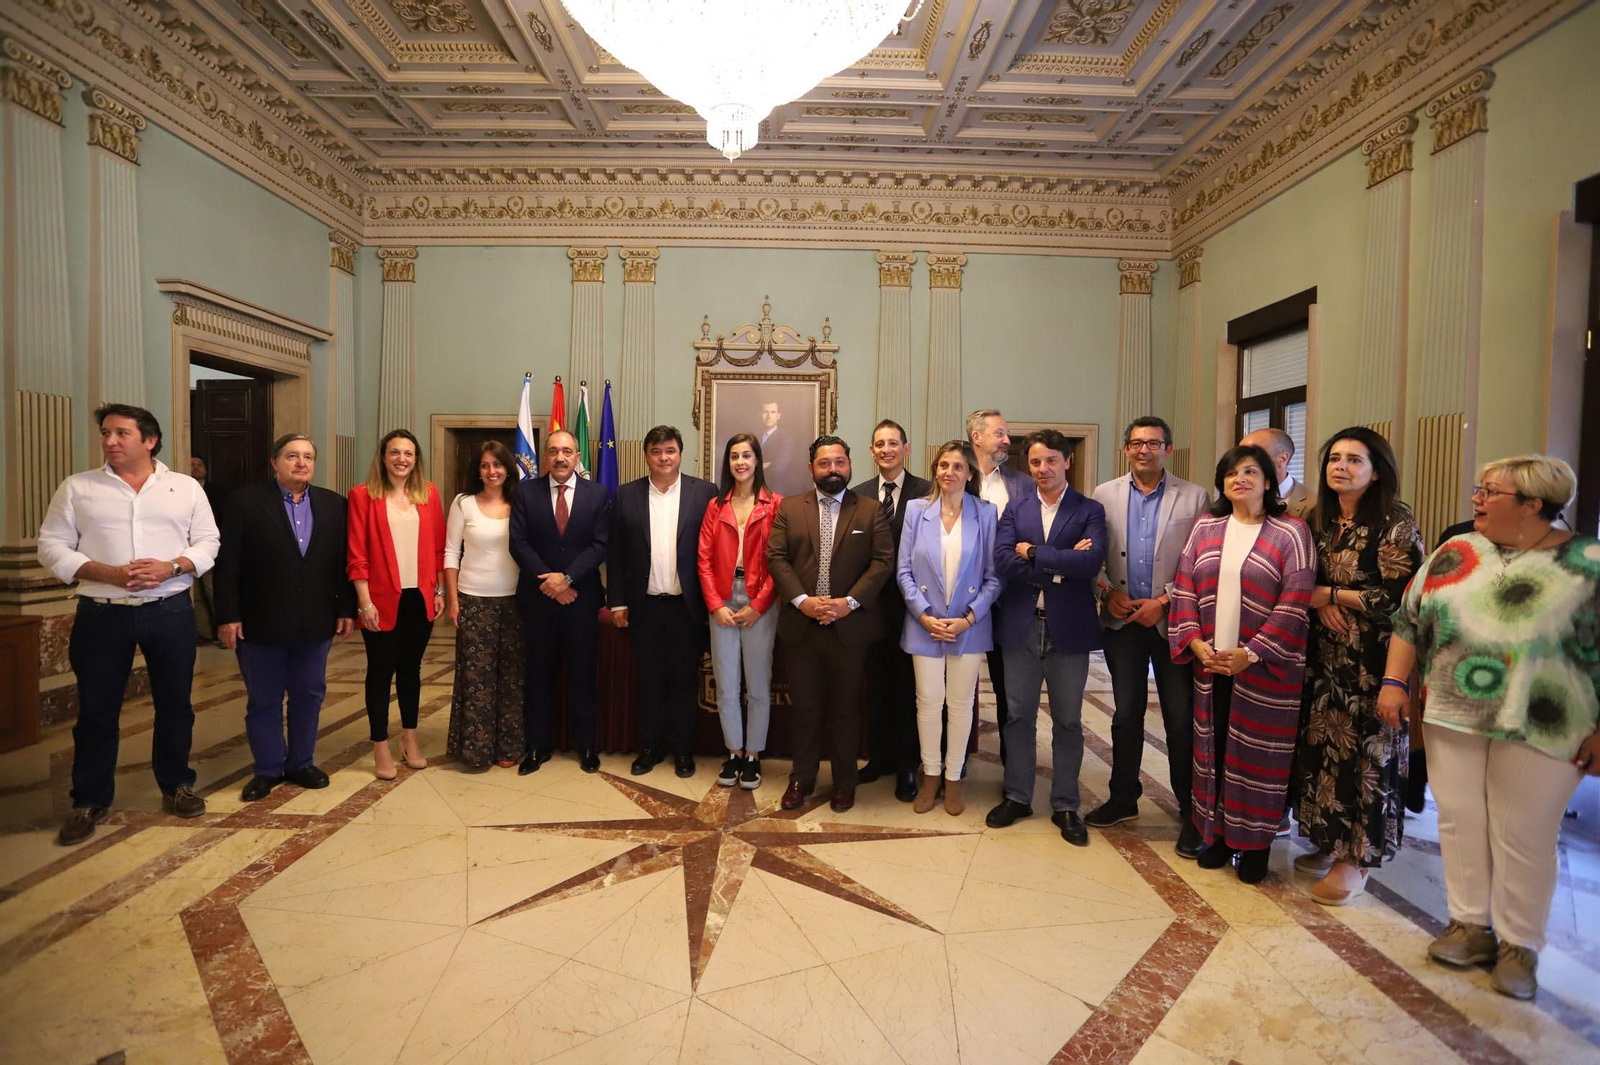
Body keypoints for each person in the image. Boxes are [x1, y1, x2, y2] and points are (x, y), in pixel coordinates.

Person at [1380, 455, 1599, 1000]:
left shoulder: (1587, 562)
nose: (1475, 497)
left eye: (1490, 491)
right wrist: (1394, 682)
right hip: (1455, 711)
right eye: (1478, 487)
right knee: (1458, 820)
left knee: (1523, 834)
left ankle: (1519, 945)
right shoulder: (1456, 552)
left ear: (1532, 504)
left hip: (1545, 721)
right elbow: (1409, 620)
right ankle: (1469, 925)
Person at [40, 404, 221, 844]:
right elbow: (51, 545)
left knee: (176, 704)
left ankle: (177, 785)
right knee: (97, 710)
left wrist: (172, 566)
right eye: (106, 433)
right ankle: (89, 798)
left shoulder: (184, 488)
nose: (110, 441)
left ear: (150, 440)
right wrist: (108, 572)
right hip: (102, 612)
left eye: (121, 433)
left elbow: (209, 541)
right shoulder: (78, 488)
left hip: (169, 611)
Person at [1168, 444, 1315, 883]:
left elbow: (1296, 600)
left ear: (1269, 480)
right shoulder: (1206, 529)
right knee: (1211, 754)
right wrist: (1194, 643)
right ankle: (1216, 836)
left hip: (1264, 670)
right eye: (1231, 473)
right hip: (1211, 665)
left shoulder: (1291, 533)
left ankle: (1255, 846)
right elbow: (1184, 587)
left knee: (1257, 759)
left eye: (1250, 471)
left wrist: (1251, 653)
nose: (1240, 479)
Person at [1293, 428, 1422, 904]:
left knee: (1369, 758)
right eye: (1334, 458)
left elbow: (1398, 598)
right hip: (1326, 661)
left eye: (1354, 460)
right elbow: (1302, 579)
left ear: (1375, 471)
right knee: (1327, 752)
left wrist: (1328, 595)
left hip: (1374, 662)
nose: (1340, 466)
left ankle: (1358, 857)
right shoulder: (1319, 518)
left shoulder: (1394, 523)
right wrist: (1319, 600)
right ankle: (1330, 841)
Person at [1085, 416, 1210, 859]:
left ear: (1168, 449)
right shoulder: (1104, 494)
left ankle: (1190, 809)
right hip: (1122, 622)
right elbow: (1093, 551)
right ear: (1125, 450)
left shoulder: (1195, 497)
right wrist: (1106, 591)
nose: (1144, 450)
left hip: (1172, 623)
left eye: (1154, 443)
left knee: (1179, 720)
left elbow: (1201, 562)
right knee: (1125, 715)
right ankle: (1123, 798)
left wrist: (1166, 600)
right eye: (1136, 443)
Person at [214, 434, 355, 801]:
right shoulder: (244, 502)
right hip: (260, 622)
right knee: (264, 698)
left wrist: (345, 609)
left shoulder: (333, 505)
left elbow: (341, 563)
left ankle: (301, 763)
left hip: (316, 620)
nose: (301, 463)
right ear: (274, 462)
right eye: (292, 456)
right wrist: (228, 616)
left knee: (309, 694)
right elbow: (228, 566)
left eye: (308, 456)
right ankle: (268, 768)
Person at [986, 429, 1107, 846]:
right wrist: (1061, 564)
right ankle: (1018, 796)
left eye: (1051, 460)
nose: (1042, 469)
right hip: (1021, 625)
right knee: (1018, 716)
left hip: (1068, 628)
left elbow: (1091, 562)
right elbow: (1002, 560)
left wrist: (1034, 553)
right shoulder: (1016, 509)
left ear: (1067, 461)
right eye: (1035, 462)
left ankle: (1066, 804)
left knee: (1069, 721)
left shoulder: (1089, 509)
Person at [767, 435, 893, 812]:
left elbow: (882, 562)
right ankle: (801, 779)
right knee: (804, 709)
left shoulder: (871, 510)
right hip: (801, 627)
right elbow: (776, 557)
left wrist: (848, 603)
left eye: (839, 462)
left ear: (850, 466)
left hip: (849, 630)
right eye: (825, 463)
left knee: (845, 710)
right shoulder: (789, 508)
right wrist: (803, 601)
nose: (833, 470)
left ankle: (844, 783)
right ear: (812, 469)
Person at [609, 426, 719, 778]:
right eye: (656, 451)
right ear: (646, 456)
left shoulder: (704, 493)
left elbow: (714, 551)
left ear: (680, 454)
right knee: (650, 681)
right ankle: (651, 748)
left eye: (670, 450)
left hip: (687, 607)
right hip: (644, 607)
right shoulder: (626, 495)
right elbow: (615, 554)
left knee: (685, 681)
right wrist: (617, 602)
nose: (664, 457)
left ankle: (683, 751)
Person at [898, 440, 1000, 815]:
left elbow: (994, 576)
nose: (950, 472)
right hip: (923, 623)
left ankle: (954, 779)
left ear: (970, 473)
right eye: (943, 465)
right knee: (927, 704)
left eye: (958, 466)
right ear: (935, 470)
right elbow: (904, 570)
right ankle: (930, 776)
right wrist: (923, 614)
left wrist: (968, 618)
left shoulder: (986, 514)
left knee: (959, 707)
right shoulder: (915, 510)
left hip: (968, 626)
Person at [509, 429, 611, 774]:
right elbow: (519, 543)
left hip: (581, 598)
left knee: (583, 674)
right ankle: (537, 747)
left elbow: (600, 545)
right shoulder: (525, 492)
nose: (560, 457)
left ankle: (586, 746)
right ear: (545, 456)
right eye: (553, 451)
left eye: (567, 451)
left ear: (578, 455)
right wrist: (550, 582)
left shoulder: (597, 495)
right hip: (538, 600)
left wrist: (566, 579)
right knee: (538, 674)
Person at [348, 429, 446, 781]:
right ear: (383, 457)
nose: (401, 459)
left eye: (408, 453)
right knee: (380, 672)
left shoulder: (429, 494)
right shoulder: (362, 496)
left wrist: (439, 591)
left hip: (419, 596)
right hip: (380, 599)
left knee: (411, 670)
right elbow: (356, 555)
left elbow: (438, 547)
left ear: (416, 458)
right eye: (395, 452)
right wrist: (364, 603)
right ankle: (380, 745)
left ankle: (409, 737)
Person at [852, 419, 932, 801]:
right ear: (871, 451)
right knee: (877, 688)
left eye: (893, 443)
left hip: (914, 609)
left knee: (909, 690)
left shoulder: (927, 492)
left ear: (907, 448)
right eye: (879, 443)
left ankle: (907, 766)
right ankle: (879, 758)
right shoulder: (859, 494)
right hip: (871, 609)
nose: (886, 449)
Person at [698, 433, 783, 789]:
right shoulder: (716, 505)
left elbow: (780, 561)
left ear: (757, 460)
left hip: (759, 600)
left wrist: (759, 605)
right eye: (734, 456)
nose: (740, 462)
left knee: (758, 685)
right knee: (728, 685)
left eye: (747, 455)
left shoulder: (775, 504)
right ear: (728, 463)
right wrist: (715, 605)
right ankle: (733, 752)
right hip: (722, 599)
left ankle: (754, 756)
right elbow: (702, 559)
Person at [443, 440, 525, 770]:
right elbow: (451, 552)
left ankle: (507, 746)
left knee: (512, 677)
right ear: (477, 470)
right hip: (473, 600)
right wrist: (452, 599)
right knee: (477, 679)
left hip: (516, 601)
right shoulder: (463, 503)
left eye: (498, 464)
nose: (492, 471)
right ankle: (476, 750)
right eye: (485, 465)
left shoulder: (521, 502)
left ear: (508, 468)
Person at [967, 408, 1033, 764]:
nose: (1007, 440)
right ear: (977, 437)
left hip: (1009, 600)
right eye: (1000, 434)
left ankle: (1014, 767)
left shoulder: (1023, 484)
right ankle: (950, 764)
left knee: (1011, 687)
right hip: (959, 601)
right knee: (955, 688)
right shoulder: (955, 475)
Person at [189, 454, 227, 642]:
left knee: (213, 592)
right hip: (183, 552)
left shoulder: (218, 492)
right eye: (192, 464)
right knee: (194, 595)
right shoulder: (181, 490)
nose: (195, 467)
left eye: (199, 464)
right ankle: (203, 633)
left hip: (210, 551)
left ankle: (223, 631)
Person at [1240, 427, 1314, 520]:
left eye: (1254, 453)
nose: (1243, 461)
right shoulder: (1237, 495)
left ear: (1282, 459)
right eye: (1240, 454)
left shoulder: (1313, 505)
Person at [757, 400, 804, 496]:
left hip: (774, 493)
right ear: (760, 414)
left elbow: (776, 470)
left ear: (778, 415)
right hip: (754, 493)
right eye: (765, 412)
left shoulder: (786, 440)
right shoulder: (754, 438)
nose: (769, 416)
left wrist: (754, 468)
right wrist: (766, 464)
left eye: (773, 412)